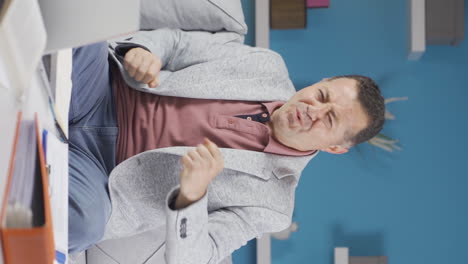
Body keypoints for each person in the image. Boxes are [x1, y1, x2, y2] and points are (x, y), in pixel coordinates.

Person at [68, 28, 385, 263]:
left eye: (329, 120)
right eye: (322, 96)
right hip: (103, 89)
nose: (312, 110)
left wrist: (192, 196)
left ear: (335, 148)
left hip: (102, 176)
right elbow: (178, 44)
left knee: (83, 225)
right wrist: (146, 51)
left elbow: (198, 257)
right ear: (321, 82)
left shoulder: (273, 206)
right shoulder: (266, 64)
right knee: (81, 25)